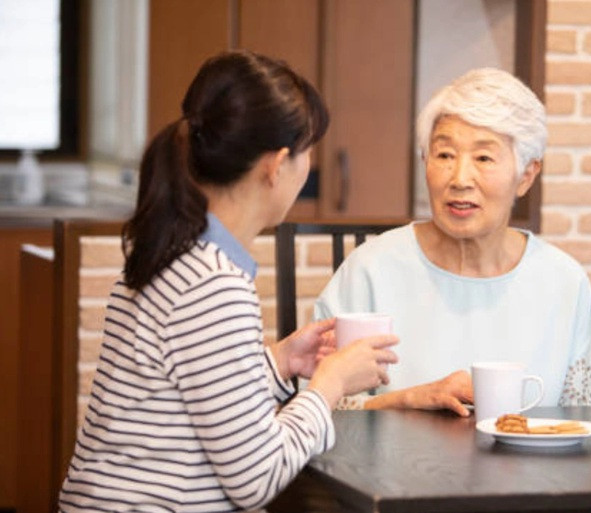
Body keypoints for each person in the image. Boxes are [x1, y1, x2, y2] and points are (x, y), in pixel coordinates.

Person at [58, 50, 398, 512]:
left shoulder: (170, 251)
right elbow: (257, 478)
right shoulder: (213, 286)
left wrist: (278, 363)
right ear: (277, 165)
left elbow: (186, 394)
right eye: (308, 151)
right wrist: (331, 384)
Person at [315, 67, 591, 416]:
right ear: (425, 162)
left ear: (526, 175)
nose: (460, 179)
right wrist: (409, 400)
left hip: (528, 469)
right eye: (445, 155)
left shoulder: (563, 282)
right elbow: (316, 409)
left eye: (483, 158)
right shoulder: (370, 271)